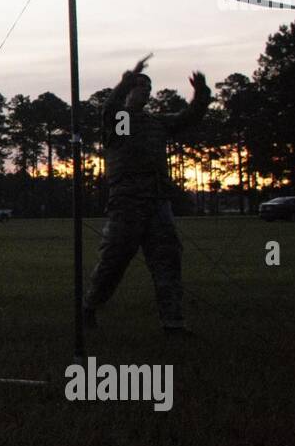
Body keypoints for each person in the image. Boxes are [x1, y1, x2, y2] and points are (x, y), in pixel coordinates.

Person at [82, 57, 210, 337]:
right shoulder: (122, 122)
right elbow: (112, 109)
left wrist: (201, 95)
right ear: (130, 92)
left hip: (157, 202)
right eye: (140, 88)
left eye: (148, 89)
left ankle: (173, 323)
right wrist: (128, 79)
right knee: (114, 260)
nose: (145, 93)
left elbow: (187, 119)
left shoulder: (155, 124)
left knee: (167, 260)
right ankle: (90, 307)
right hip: (127, 203)